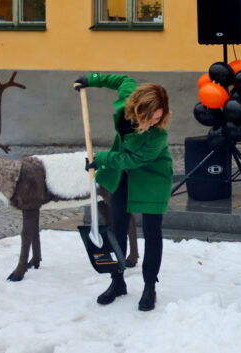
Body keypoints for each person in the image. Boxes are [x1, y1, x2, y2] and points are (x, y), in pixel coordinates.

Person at [74, 73, 172, 311]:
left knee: (151, 231)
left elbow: (134, 158)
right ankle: (117, 282)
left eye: (158, 117)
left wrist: (101, 158)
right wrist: (92, 79)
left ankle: (150, 286)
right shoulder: (129, 99)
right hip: (123, 174)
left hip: (152, 176)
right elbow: (121, 80)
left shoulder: (158, 135)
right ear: (136, 108)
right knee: (117, 226)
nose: (153, 122)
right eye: (149, 117)